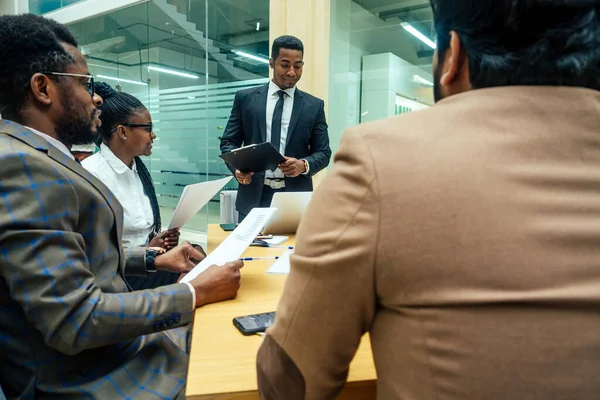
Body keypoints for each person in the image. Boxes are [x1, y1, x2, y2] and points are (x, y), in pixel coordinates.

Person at [257, 1, 600, 399]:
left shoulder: (378, 159)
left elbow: (292, 382)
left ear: (451, 56)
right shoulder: (253, 100)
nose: (292, 71)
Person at [0, 14, 243, 399]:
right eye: (85, 83)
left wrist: (153, 260)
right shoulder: (19, 164)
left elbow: (78, 254)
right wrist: (193, 293)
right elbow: (74, 321)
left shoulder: (41, 156)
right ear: (42, 88)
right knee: (245, 364)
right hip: (97, 376)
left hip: (114, 350)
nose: (96, 97)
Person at [82, 82, 187, 290]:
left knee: (193, 254)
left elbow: (137, 235)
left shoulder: (138, 171)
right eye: (148, 129)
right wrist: (147, 255)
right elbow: (94, 253)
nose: (153, 135)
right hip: (118, 276)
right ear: (123, 132)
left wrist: (155, 243)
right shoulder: (91, 174)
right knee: (192, 267)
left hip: (144, 264)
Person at [220, 35, 331, 221]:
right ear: (272, 63)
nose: (292, 72)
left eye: (298, 66)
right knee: (251, 250)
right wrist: (237, 169)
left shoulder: (314, 106)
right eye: (285, 64)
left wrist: (303, 165)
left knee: (291, 250)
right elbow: (228, 142)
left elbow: (324, 152)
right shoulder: (245, 99)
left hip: (294, 200)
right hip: (253, 198)